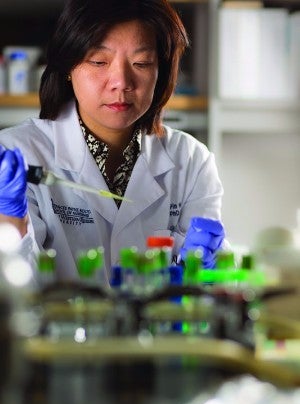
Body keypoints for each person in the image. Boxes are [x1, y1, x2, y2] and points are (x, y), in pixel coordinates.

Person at [0, 0, 225, 286]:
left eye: (141, 63)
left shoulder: (191, 161)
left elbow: (205, 292)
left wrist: (208, 270)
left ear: (162, 72)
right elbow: (14, 291)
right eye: (98, 61)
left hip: (158, 330)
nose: (121, 82)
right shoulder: (18, 154)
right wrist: (9, 223)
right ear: (69, 66)